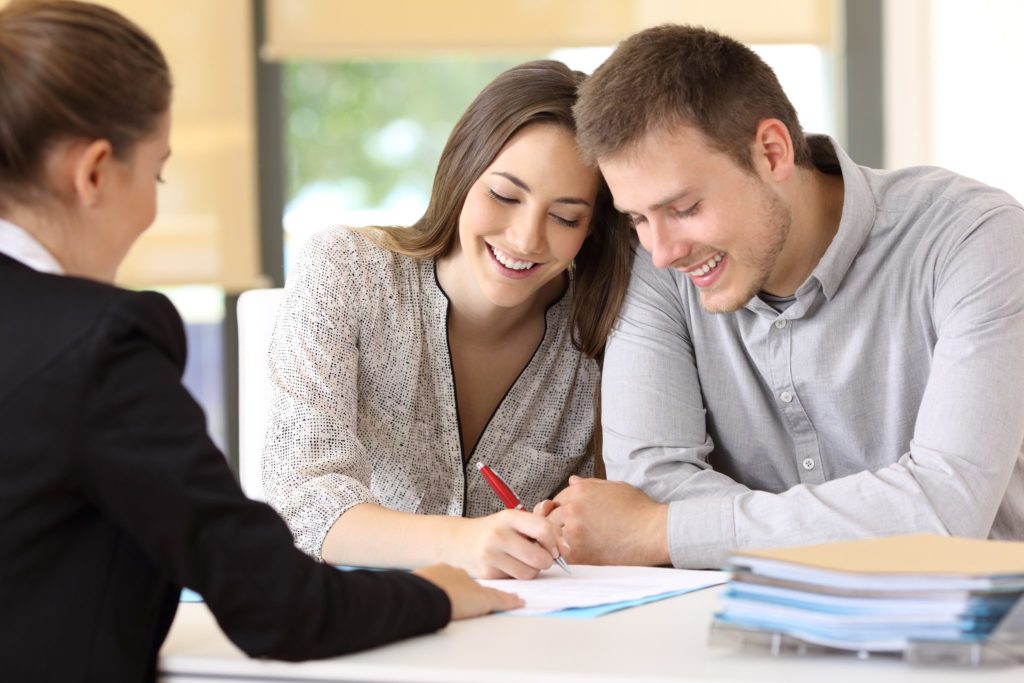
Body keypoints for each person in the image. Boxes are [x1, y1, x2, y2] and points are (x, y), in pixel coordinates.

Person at [0, 2, 520, 680]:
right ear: (94, 171)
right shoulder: (99, 347)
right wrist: (436, 591)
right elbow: (278, 603)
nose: (156, 208)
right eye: (156, 172)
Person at [543, 24, 1024, 569]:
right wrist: (871, 520)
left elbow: (945, 511)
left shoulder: (975, 238)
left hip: (975, 631)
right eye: (637, 217)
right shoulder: (659, 266)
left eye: (684, 208)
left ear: (772, 152)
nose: (662, 250)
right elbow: (648, 486)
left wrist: (664, 532)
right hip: (741, 632)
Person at [262, 60, 634, 579]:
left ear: (593, 228)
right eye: (504, 195)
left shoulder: (606, 332)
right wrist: (461, 541)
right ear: (462, 173)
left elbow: (615, 521)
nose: (527, 239)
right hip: (365, 624)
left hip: (528, 635)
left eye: (565, 216)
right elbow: (300, 501)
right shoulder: (345, 270)